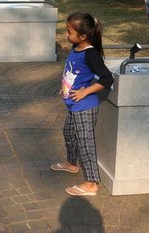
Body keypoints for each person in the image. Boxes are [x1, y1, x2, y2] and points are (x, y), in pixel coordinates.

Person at [50, 12, 114, 196]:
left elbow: (106, 78)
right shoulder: (76, 47)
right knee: (69, 133)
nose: (66, 35)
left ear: (83, 36)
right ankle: (71, 164)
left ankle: (92, 183)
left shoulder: (90, 53)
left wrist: (84, 91)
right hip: (73, 105)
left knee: (86, 143)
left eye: (69, 32)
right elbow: (74, 72)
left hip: (84, 106)